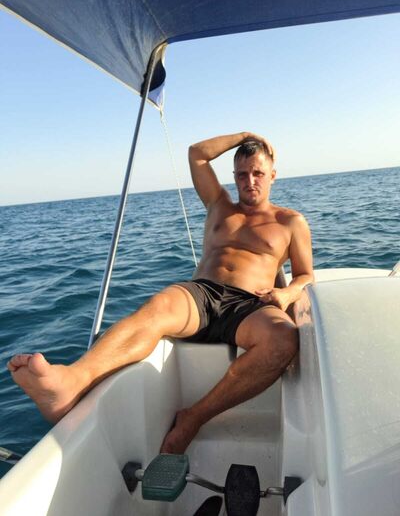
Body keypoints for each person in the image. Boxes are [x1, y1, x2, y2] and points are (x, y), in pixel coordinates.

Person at [7, 132, 313, 454]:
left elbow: (306, 274)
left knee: (283, 340)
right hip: (201, 293)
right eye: (241, 174)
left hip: (250, 305)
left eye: (258, 173)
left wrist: (287, 294)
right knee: (157, 307)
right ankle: (70, 382)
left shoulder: (290, 222)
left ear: (273, 175)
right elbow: (196, 154)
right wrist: (246, 136)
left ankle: (194, 417)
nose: (249, 181)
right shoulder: (219, 205)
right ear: (234, 176)